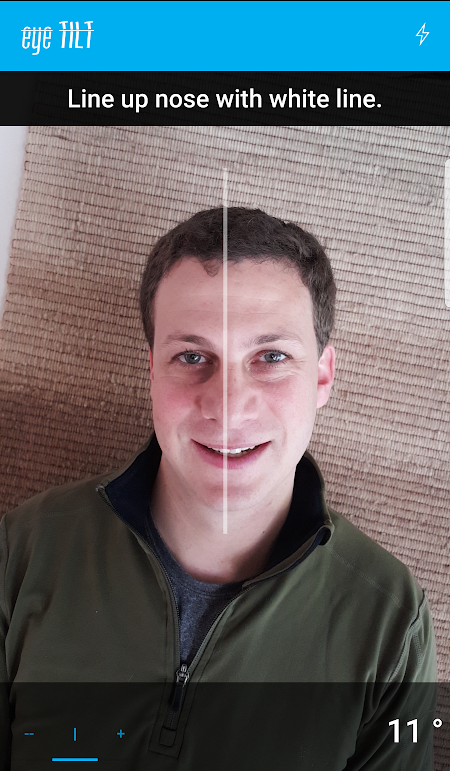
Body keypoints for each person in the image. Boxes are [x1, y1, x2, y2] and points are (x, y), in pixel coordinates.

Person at [0, 207, 436, 770]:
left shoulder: (391, 624)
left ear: (322, 376)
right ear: (152, 370)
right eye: (192, 356)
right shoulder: (24, 552)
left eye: (271, 357)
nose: (228, 407)